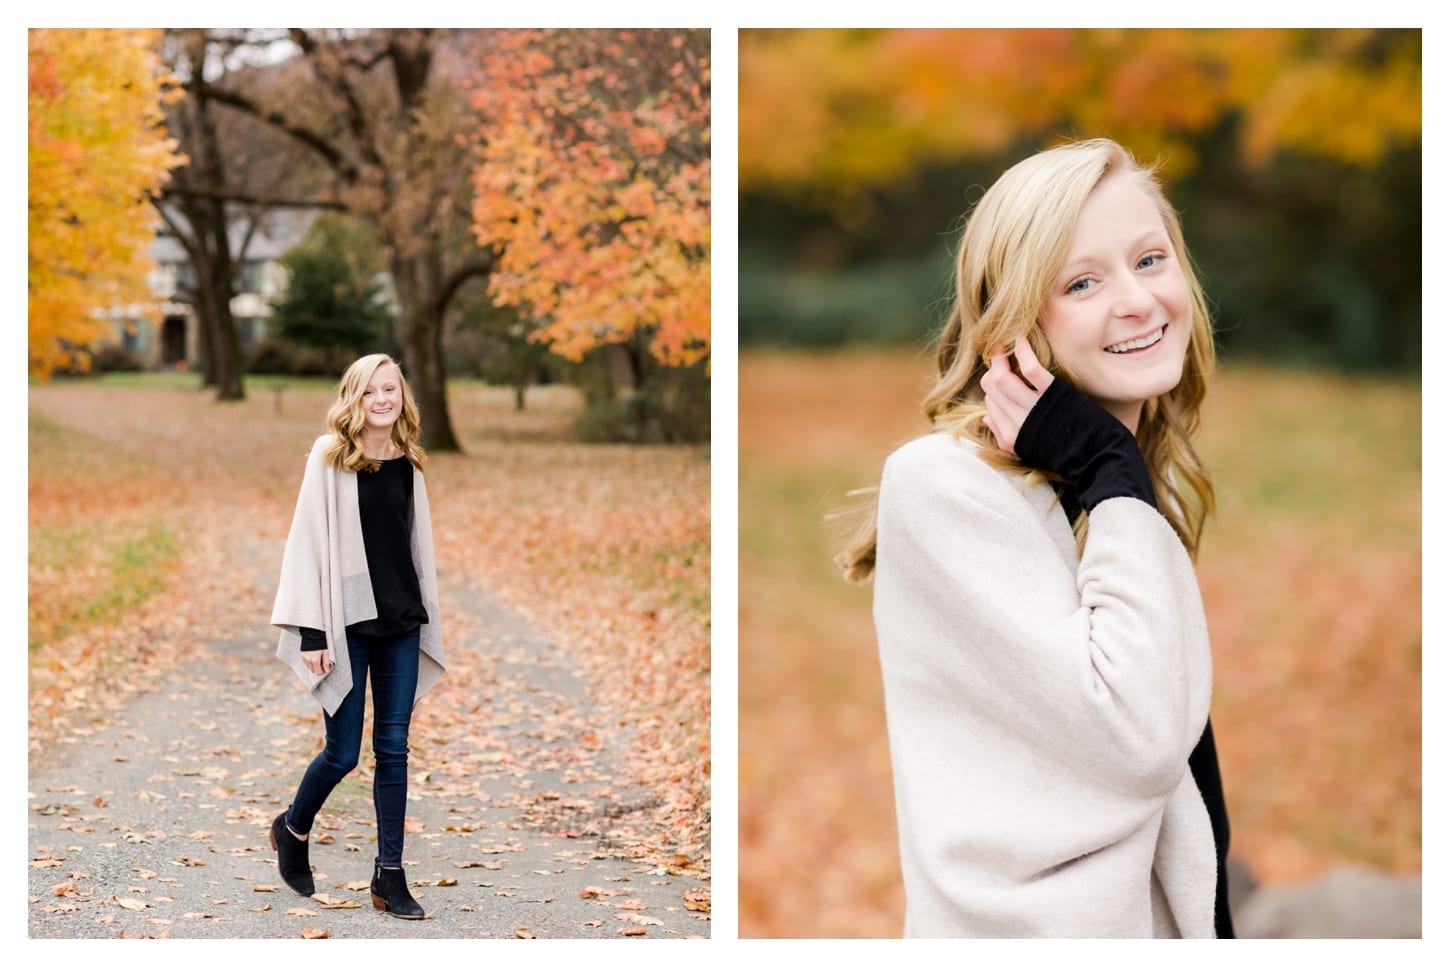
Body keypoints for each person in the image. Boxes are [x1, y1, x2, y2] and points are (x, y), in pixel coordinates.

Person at [838, 138, 1233, 938]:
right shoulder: (945, 485)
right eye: (1083, 281)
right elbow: (1141, 737)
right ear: (1014, 324)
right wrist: (1110, 465)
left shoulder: (1103, 481)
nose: (1137, 300)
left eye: (1150, 259)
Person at [269, 353, 446, 920]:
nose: (382, 400)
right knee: (343, 754)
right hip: (345, 625)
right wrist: (313, 632)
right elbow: (307, 544)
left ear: (402, 397)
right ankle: (293, 830)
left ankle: (389, 876)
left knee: (394, 750)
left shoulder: (409, 461)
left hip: (399, 623)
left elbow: (414, 549)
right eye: (371, 391)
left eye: (390, 390)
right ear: (354, 397)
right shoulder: (330, 456)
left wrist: (421, 615)